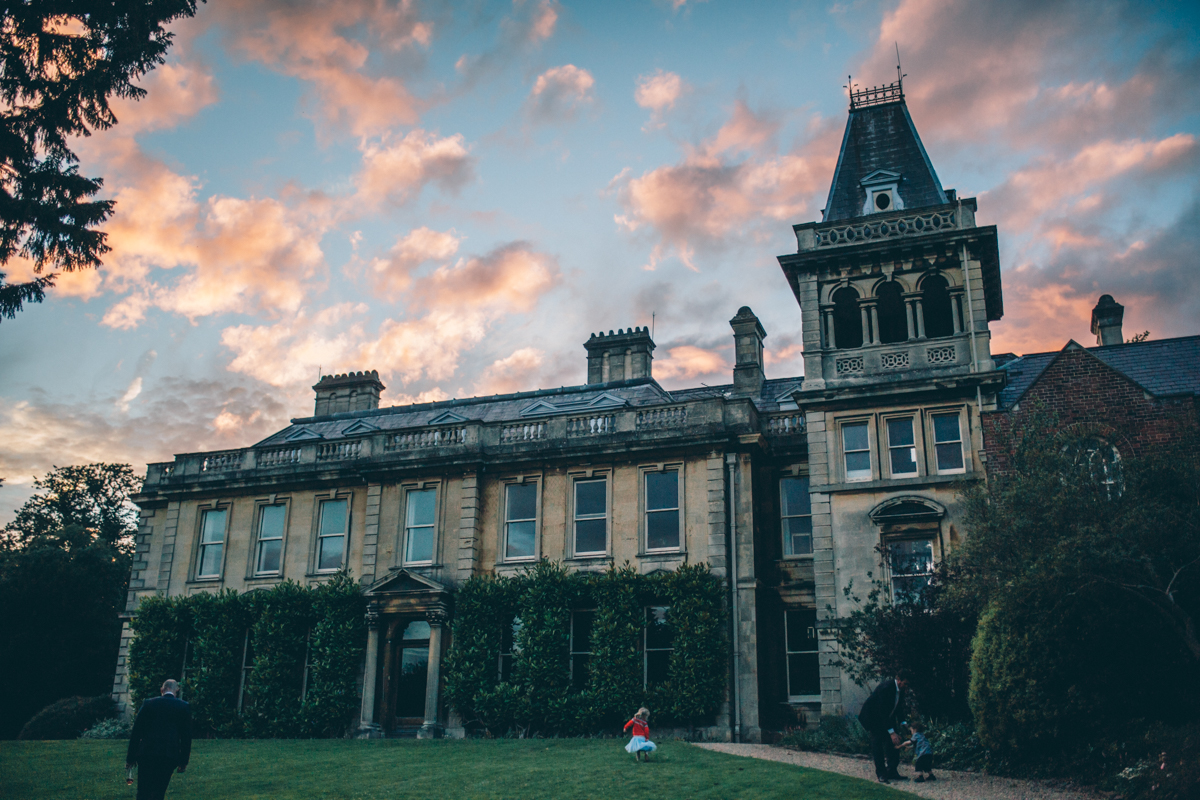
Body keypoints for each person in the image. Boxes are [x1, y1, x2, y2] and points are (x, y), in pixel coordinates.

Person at [126, 679, 192, 800]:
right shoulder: (183, 706)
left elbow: (136, 732)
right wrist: (183, 761)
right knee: (159, 791)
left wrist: (130, 758)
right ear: (176, 691)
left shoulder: (149, 703)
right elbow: (186, 737)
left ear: (162, 690)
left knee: (143, 791)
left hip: (147, 753)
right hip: (168, 754)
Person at [857, 670, 911, 783]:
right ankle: (881, 774)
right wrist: (891, 733)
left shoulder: (901, 689)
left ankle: (892, 770)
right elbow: (882, 711)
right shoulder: (886, 688)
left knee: (895, 742)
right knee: (878, 744)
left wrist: (904, 724)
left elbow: (898, 708)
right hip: (873, 718)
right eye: (905, 683)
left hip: (885, 718)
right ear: (899, 680)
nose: (907, 687)